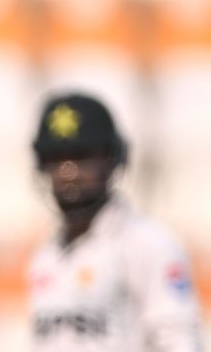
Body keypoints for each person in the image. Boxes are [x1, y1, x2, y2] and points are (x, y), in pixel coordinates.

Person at [28, 92, 204, 351]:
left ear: (112, 160)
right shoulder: (45, 257)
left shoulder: (148, 244)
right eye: (57, 159)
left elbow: (182, 343)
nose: (69, 174)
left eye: (82, 157)